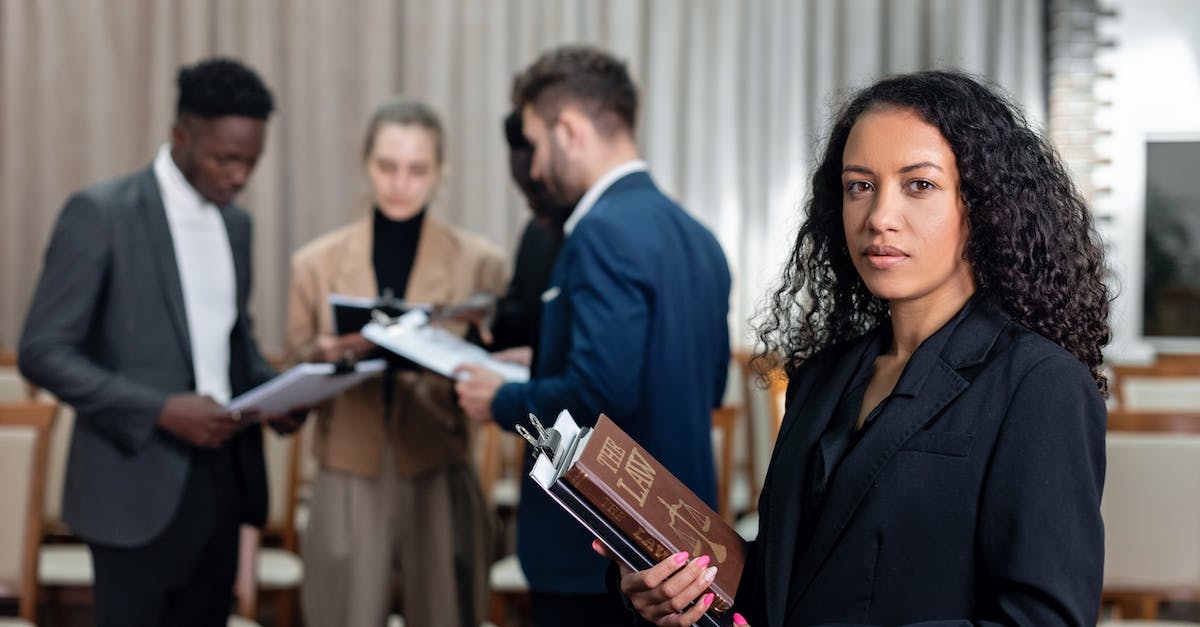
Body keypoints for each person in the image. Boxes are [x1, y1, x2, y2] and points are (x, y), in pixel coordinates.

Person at [604, 70, 1111, 627]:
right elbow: (791, 582)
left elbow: (1045, 620)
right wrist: (673, 586)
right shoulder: (824, 375)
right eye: (859, 186)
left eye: (918, 185)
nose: (878, 218)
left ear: (984, 204)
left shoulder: (1040, 384)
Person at [455, 46, 733, 627]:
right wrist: (547, 355)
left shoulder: (599, 231)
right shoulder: (698, 238)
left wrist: (499, 400)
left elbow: (598, 393)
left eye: (535, 143)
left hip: (608, 550)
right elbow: (699, 383)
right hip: (681, 544)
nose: (532, 170)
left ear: (568, 130)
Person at [18, 57, 299, 626]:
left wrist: (286, 392)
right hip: (132, 484)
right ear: (180, 135)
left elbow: (231, 345)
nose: (240, 176)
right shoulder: (101, 215)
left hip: (222, 484)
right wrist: (160, 411)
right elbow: (42, 350)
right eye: (226, 158)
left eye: (251, 161)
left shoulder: (236, 226)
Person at [287, 97, 509, 627]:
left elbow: (500, 364)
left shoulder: (480, 262)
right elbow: (294, 368)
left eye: (417, 169)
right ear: (367, 163)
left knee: (446, 608)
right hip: (348, 459)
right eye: (387, 167)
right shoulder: (315, 264)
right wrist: (322, 355)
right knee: (342, 609)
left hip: (438, 456)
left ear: (440, 172)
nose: (400, 183)